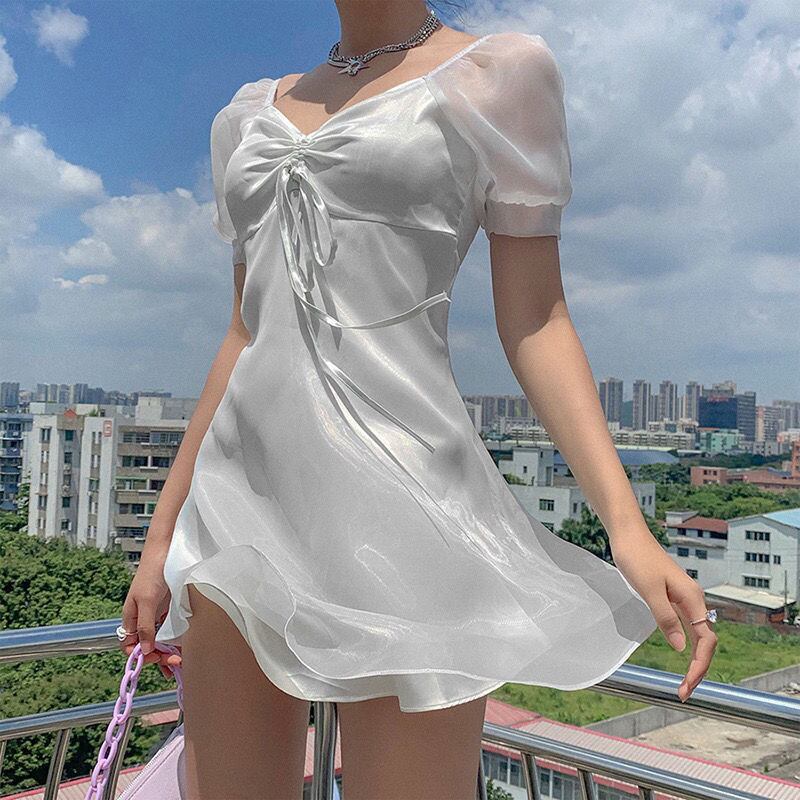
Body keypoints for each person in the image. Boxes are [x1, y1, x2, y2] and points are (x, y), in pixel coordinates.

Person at [117, 2, 718, 797]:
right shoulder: (243, 116)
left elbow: (536, 318)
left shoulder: (498, 76)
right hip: (237, 515)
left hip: (409, 516)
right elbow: (242, 335)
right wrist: (161, 542)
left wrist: (626, 526)